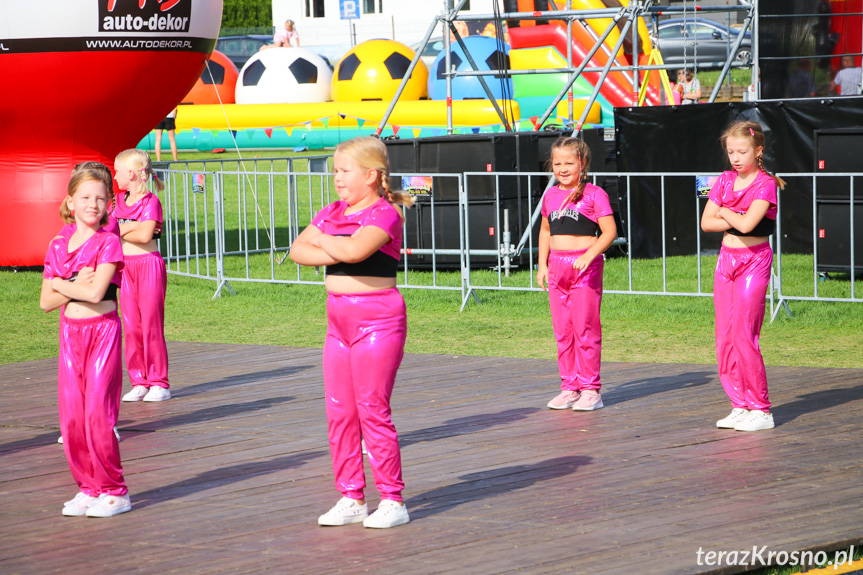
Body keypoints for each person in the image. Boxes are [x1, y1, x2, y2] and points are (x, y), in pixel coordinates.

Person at [289, 137, 414, 529]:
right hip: (338, 322)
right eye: (336, 172)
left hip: (378, 320)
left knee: (372, 409)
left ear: (371, 175)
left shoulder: (386, 213)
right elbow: (296, 250)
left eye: (344, 171)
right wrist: (338, 246)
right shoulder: (332, 211)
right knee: (340, 412)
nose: (337, 179)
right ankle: (351, 497)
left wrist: (327, 243)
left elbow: (358, 252)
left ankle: (393, 499)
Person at [40, 167, 131, 517]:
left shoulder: (108, 241)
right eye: (85, 198)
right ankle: (88, 487)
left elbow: (95, 292)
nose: (92, 204)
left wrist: (61, 283)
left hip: (102, 332)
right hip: (70, 334)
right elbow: (45, 303)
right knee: (72, 419)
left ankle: (114, 489)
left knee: (96, 413)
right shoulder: (59, 244)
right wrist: (70, 281)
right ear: (70, 202)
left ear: (109, 203)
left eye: (100, 198)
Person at [700, 121, 785, 432]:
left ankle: (761, 409)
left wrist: (723, 211)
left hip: (754, 261)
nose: (735, 157)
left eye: (742, 151)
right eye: (730, 152)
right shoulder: (722, 180)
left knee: (744, 335)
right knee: (724, 336)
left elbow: (749, 226)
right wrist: (726, 215)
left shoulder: (766, 184)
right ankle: (739, 403)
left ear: (757, 150)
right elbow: (705, 223)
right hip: (726, 260)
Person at [538, 137, 617, 411]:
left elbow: (609, 232)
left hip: (585, 267)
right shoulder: (550, 195)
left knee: (585, 327)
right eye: (557, 163)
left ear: (582, 163)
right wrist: (542, 264)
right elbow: (546, 231)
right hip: (557, 266)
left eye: (569, 163)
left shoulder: (595, 194)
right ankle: (569, 386)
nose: (562, 168)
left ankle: (591, 389)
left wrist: (589, 255)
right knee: (563, 331)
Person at [113, 149, 171, 402]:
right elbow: (110, 230)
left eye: (117, 171)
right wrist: (133, 225)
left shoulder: (151, 202)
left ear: (132, 174)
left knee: (151, 324)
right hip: (125, 267)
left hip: (148, 265)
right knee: (131, 326)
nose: (114, 176)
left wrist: (123, 227)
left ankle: (159, 382)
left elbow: (145, 236)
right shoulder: (117, 200)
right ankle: (139, 381)